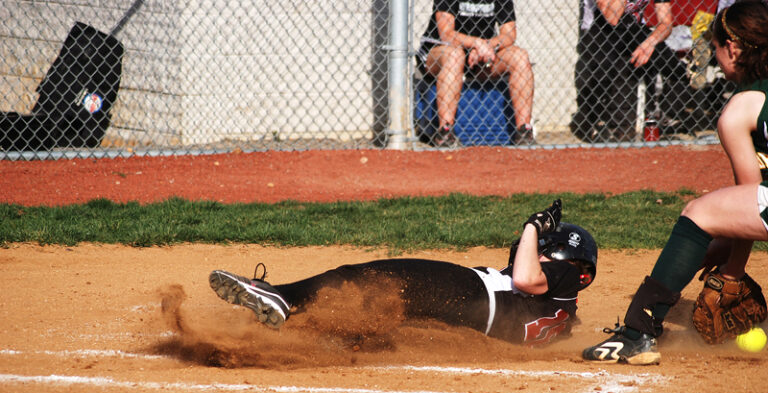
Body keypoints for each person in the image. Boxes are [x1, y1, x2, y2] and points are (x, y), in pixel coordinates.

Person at [582, 0, 768, 365]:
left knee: (698, 212)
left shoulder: (742, 107)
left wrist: (732, 271)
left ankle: (636, 332)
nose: (716, 58)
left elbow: (748, 196)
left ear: (733, 48)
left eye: (716, 48)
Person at [209, 201, 598, 345]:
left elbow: (525, 279)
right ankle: (318, 332)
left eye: (547, 251)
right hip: (474, 316)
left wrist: (534, 225)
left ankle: (283, 297)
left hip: (471, 292)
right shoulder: (563, 315)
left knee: (373, 279)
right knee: (391, 311)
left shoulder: (562, 278)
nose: (535, 253)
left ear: (569, 262)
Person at [417, 0, 535, 147]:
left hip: (481, 55)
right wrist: (476, 43)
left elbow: (509, 34)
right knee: (455, 55)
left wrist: (487, 46)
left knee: (520, 56)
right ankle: (445, 132)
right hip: (441, 51)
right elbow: (446, 34)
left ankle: (524, 131)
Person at [570, 0, 690, 142]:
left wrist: (649, 43)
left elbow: (666, 24)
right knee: (604, 67)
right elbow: (612, 17)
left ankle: (666, 115)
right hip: (600, 29)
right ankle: (598, 120)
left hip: (633, 28)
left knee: (674, 67)